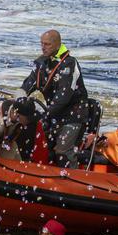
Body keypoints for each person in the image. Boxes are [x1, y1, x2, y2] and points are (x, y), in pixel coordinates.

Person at [21, 29, 89, 168]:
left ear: (58, 45)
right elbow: (28, 84)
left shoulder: (69, 64)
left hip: (73, 115)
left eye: (47, 44)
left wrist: (44, 114)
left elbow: (63, 96)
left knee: (62, 151)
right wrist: (18, 100)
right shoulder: (41, 62)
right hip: (53, 113)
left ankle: (73, 174)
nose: (43, 47)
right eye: (42, 43)